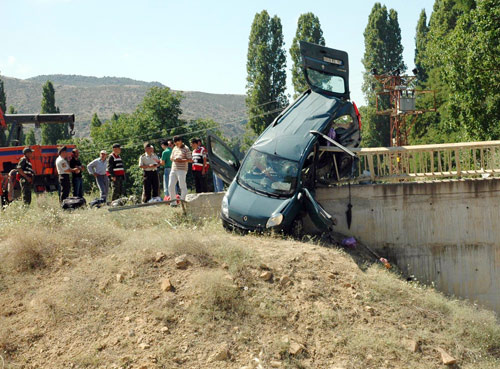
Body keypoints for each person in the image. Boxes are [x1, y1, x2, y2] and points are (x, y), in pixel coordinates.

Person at [169, 136, 192, 205]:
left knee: (182, 186)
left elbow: (190, 160)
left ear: (181, 141)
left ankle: (183, 201)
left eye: (177, 143)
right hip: (173, 168)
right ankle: (173, 203)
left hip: (182, 169)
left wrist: (181, 160)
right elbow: (171, 158)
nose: (176, 144)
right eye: (175, 143)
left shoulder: (186, 149)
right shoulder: (175, 148)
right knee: (170, 185)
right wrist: (174, 159)